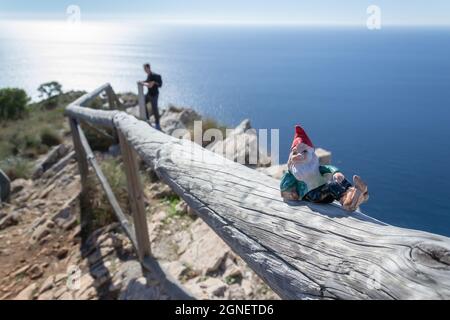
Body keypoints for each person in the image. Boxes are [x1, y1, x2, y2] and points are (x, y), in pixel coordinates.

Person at [280, 125, 369, 211]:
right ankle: (347, 202)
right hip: (311, 195)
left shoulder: (313, 167)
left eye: (304, 151)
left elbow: (327, 168)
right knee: (332, 186)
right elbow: (284, 188)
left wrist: (336, 172)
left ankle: (356, 193)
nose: (299, 155)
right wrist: (291, 193)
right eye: (295, 152)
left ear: (312, 154)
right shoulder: (294, 173)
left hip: (324, 193)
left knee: (339, 180)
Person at [140, 63, 163, 130]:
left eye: (145, 69)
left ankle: (157, 124)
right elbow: (148, 81)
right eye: (144, 69)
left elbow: (159, 85)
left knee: (154, 109)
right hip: (149, 94)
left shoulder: (155, 75)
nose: (144, 70)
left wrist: (154, 83)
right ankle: (147, 119)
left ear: (148, 68)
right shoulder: (149, 75)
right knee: (143, 102)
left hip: (154, 95)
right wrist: (142, 82)